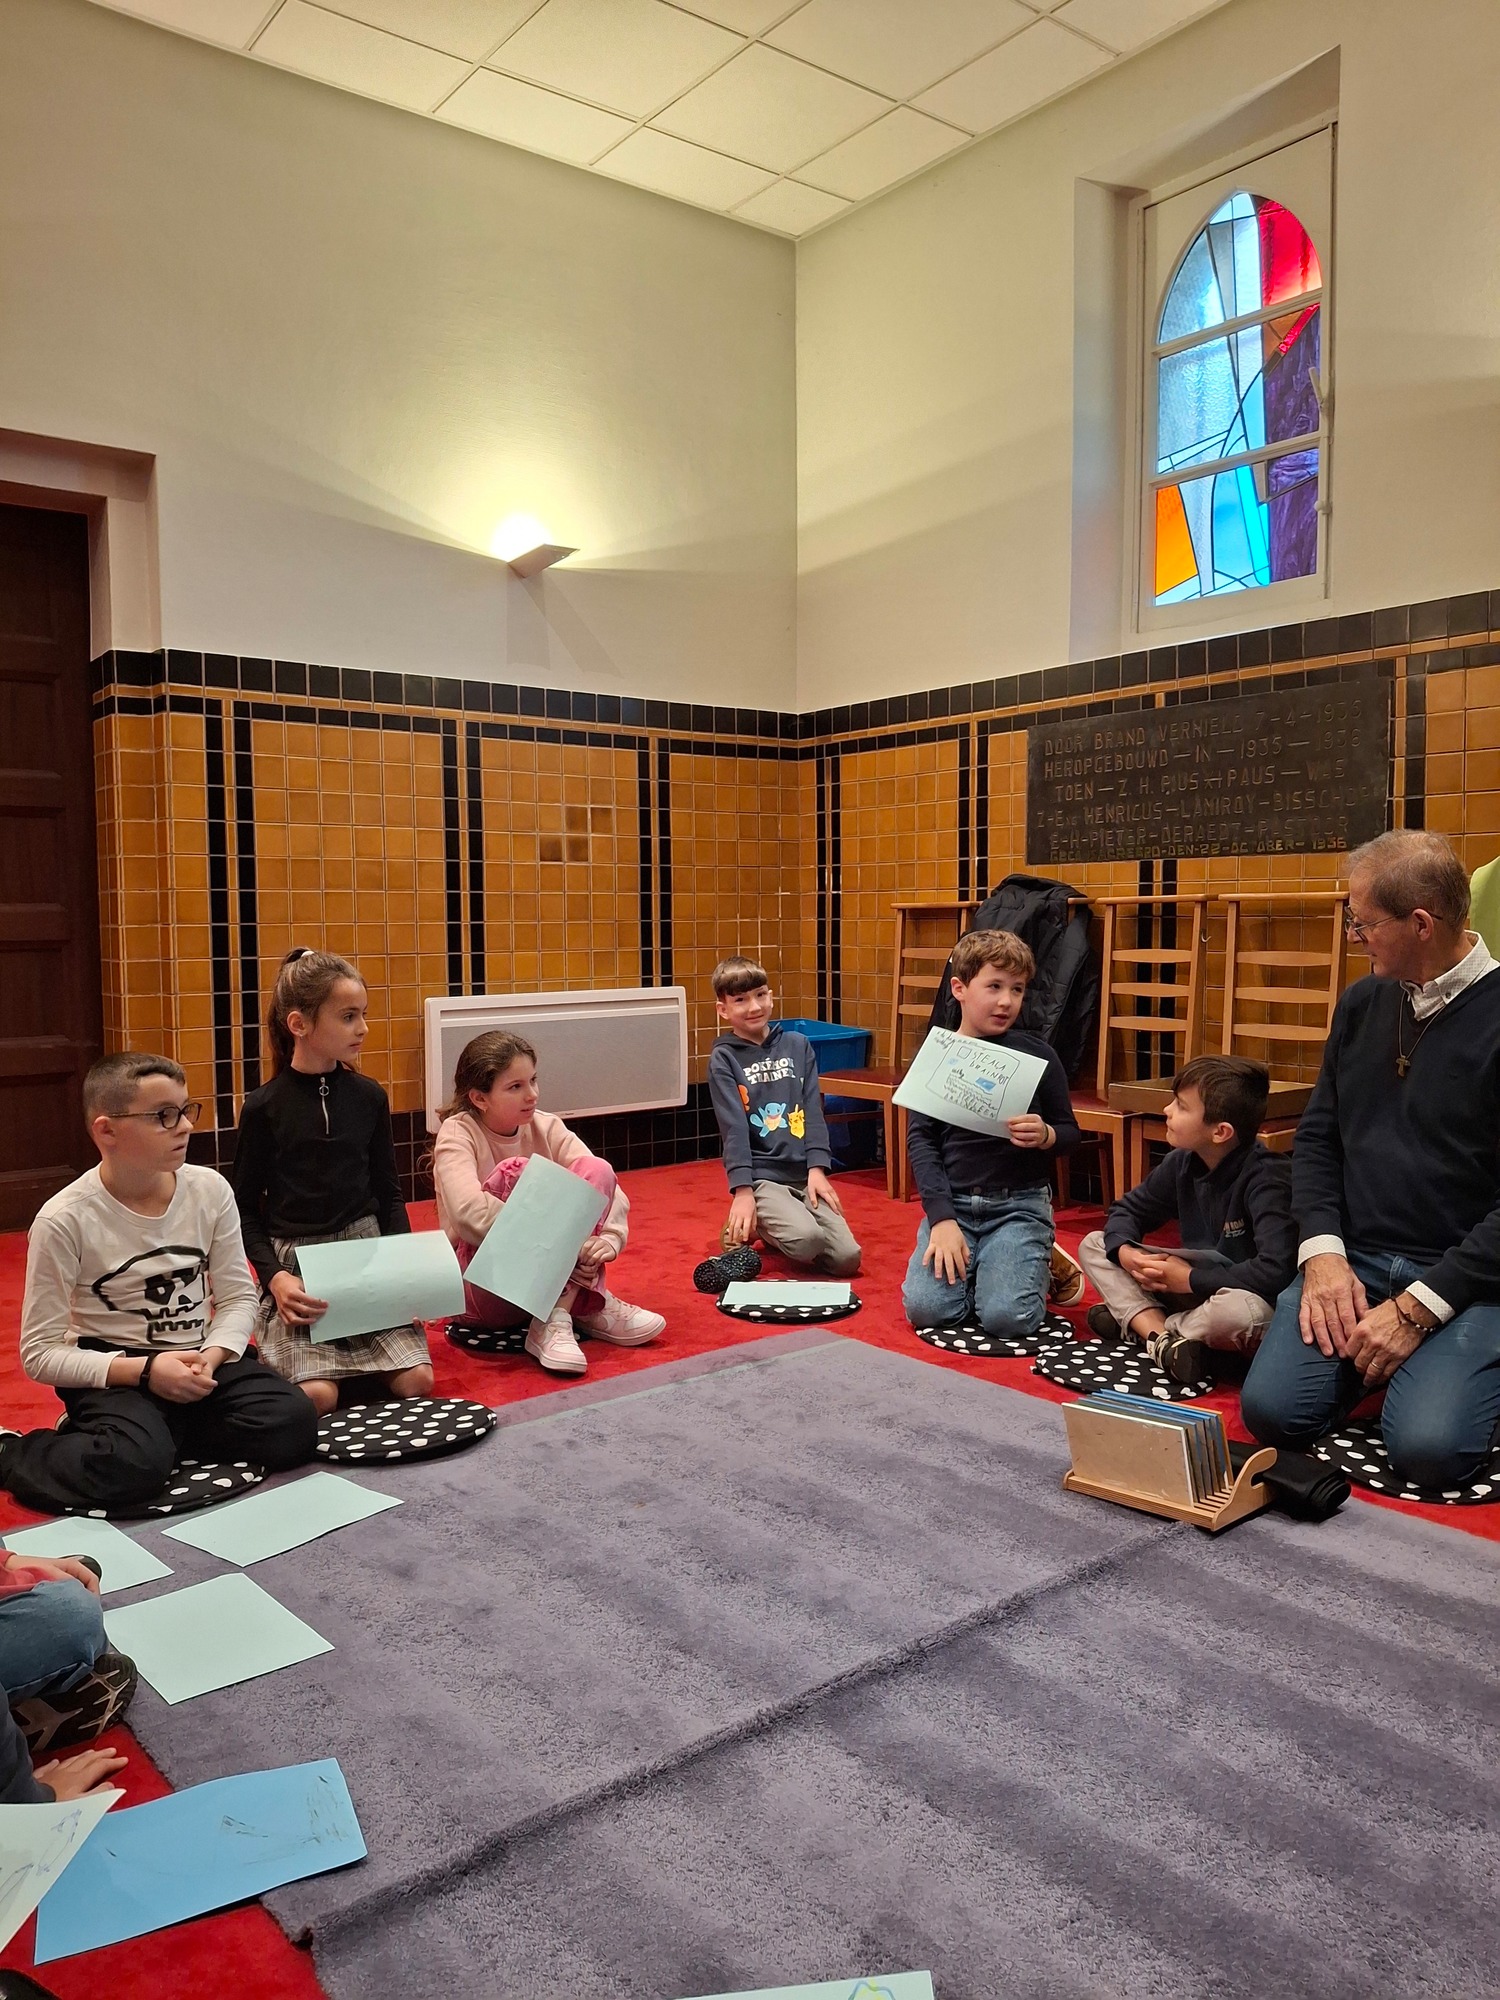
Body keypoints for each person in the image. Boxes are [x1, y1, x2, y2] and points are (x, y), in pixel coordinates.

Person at [1241, 830, 1500, 1488]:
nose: (1353, 935)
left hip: (1467, 1281)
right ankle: (1395, 1363)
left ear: (1421, 924)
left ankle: (1433, 1361)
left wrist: (1419, 1309)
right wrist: (1322, 1255)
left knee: (1430, 1451)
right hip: (1355, 1261)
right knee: (1272, 1413)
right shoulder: (1362, 1002)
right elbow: (1317, 1138)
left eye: (1363, 922)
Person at [1, 1054, 318, 1516]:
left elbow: (237, 1297)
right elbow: (40, 1353)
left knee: (294, 1424)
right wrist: (147, 1372)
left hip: (198, 1359)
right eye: (163, 1115)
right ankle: (12, 1450)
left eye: (186, 1110)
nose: (184, 1126)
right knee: (132, 1469)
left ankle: (150, 1435)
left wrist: (210, 1358)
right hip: (117, 1370)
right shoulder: (63, 1219)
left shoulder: (210, 1189)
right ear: (106, 1131)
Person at [232, 948, 433, 1416]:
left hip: (366, 1260)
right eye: (347, 1017)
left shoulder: (369, 1097)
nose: (363, 1028)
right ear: (299, 1024)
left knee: (417, 1382)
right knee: (318, 1397)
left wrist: (405, 1271)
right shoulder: (263, 1107)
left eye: (363, 1014)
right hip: (299, 1271)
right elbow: (242, 1208)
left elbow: (389, 1193)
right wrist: (275, 1279)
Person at [431, 1030, 664, 1376]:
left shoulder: (546, 1124)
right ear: (479, 1098)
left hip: (544, 1279)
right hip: (482, 1288)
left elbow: (606, 1186)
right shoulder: (457, 1132)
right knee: (517, 1171)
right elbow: (468, 1215)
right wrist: (559, 1244)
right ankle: (578, 1301)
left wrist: (608, 1239)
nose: (532, 1094)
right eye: (515, 1087)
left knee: (596, 1168)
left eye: (533, 1080)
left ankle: (558, 1313)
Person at [902, 929, 1079, 1338]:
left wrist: (1047, 1135)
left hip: (1019, 1205)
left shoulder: (1038, 1054)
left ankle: (1037, 1257)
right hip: (956, 1206)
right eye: (994, 986)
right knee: (927, 1310)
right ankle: (995, 1265)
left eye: (1017, 989)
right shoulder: (936, 1055)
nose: (1006, 1001)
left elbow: (1070, 1132)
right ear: (960, 989)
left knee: (1006, 1319)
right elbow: (922, 1142)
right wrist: (941, 1219)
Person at [1076, 1055, 1296, 1384]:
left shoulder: (1269, 1179)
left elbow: (1275, 1272)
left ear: (1220, 1132)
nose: (1167, 1110)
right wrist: (1126, 1252)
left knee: (1242, 1313)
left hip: (1245, 1296)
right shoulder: (1182, 1162)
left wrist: (1190, 1279)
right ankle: (1169, 1342)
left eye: (1181, 1106)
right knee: (1095, 1244)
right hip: (1193, 1287)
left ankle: (1145, 1328)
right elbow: (1127, 1210)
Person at [707, 958, 861, 1277]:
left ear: (771, 996)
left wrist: (817, 1169)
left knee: (847, 1259)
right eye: (740, 1000)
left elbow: (812, 1110)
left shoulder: (798, 1045)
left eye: (760, 995)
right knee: (807, 1241)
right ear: (723, 1010)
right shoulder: (724, 1057)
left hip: (803, 1174)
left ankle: (776, 1223)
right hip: (762, 1177)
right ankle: (759, 1223)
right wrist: (743, 1191)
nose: (754, 1006)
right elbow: (733, 1129)